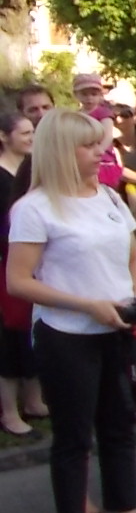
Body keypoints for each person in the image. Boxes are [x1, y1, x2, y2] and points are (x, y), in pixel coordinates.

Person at [7, 109, 136, 513]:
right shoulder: (34, 208)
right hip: (66, 336)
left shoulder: (109, 197)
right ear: (62, 150)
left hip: (115, 331)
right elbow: (19, 281)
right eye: (88, 145)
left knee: (119, 429)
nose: (101, 152)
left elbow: (134, 257)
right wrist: (88, 306)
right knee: (73, 439)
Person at [0, 112, 45, 437]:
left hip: (31, 260)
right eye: (25, 132)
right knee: (9, 338)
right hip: (7, 261)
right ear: (4, 137)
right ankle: (9, 412)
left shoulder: (30, 169)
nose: (31, 137)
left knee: (29, 333)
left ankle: (33, 400)